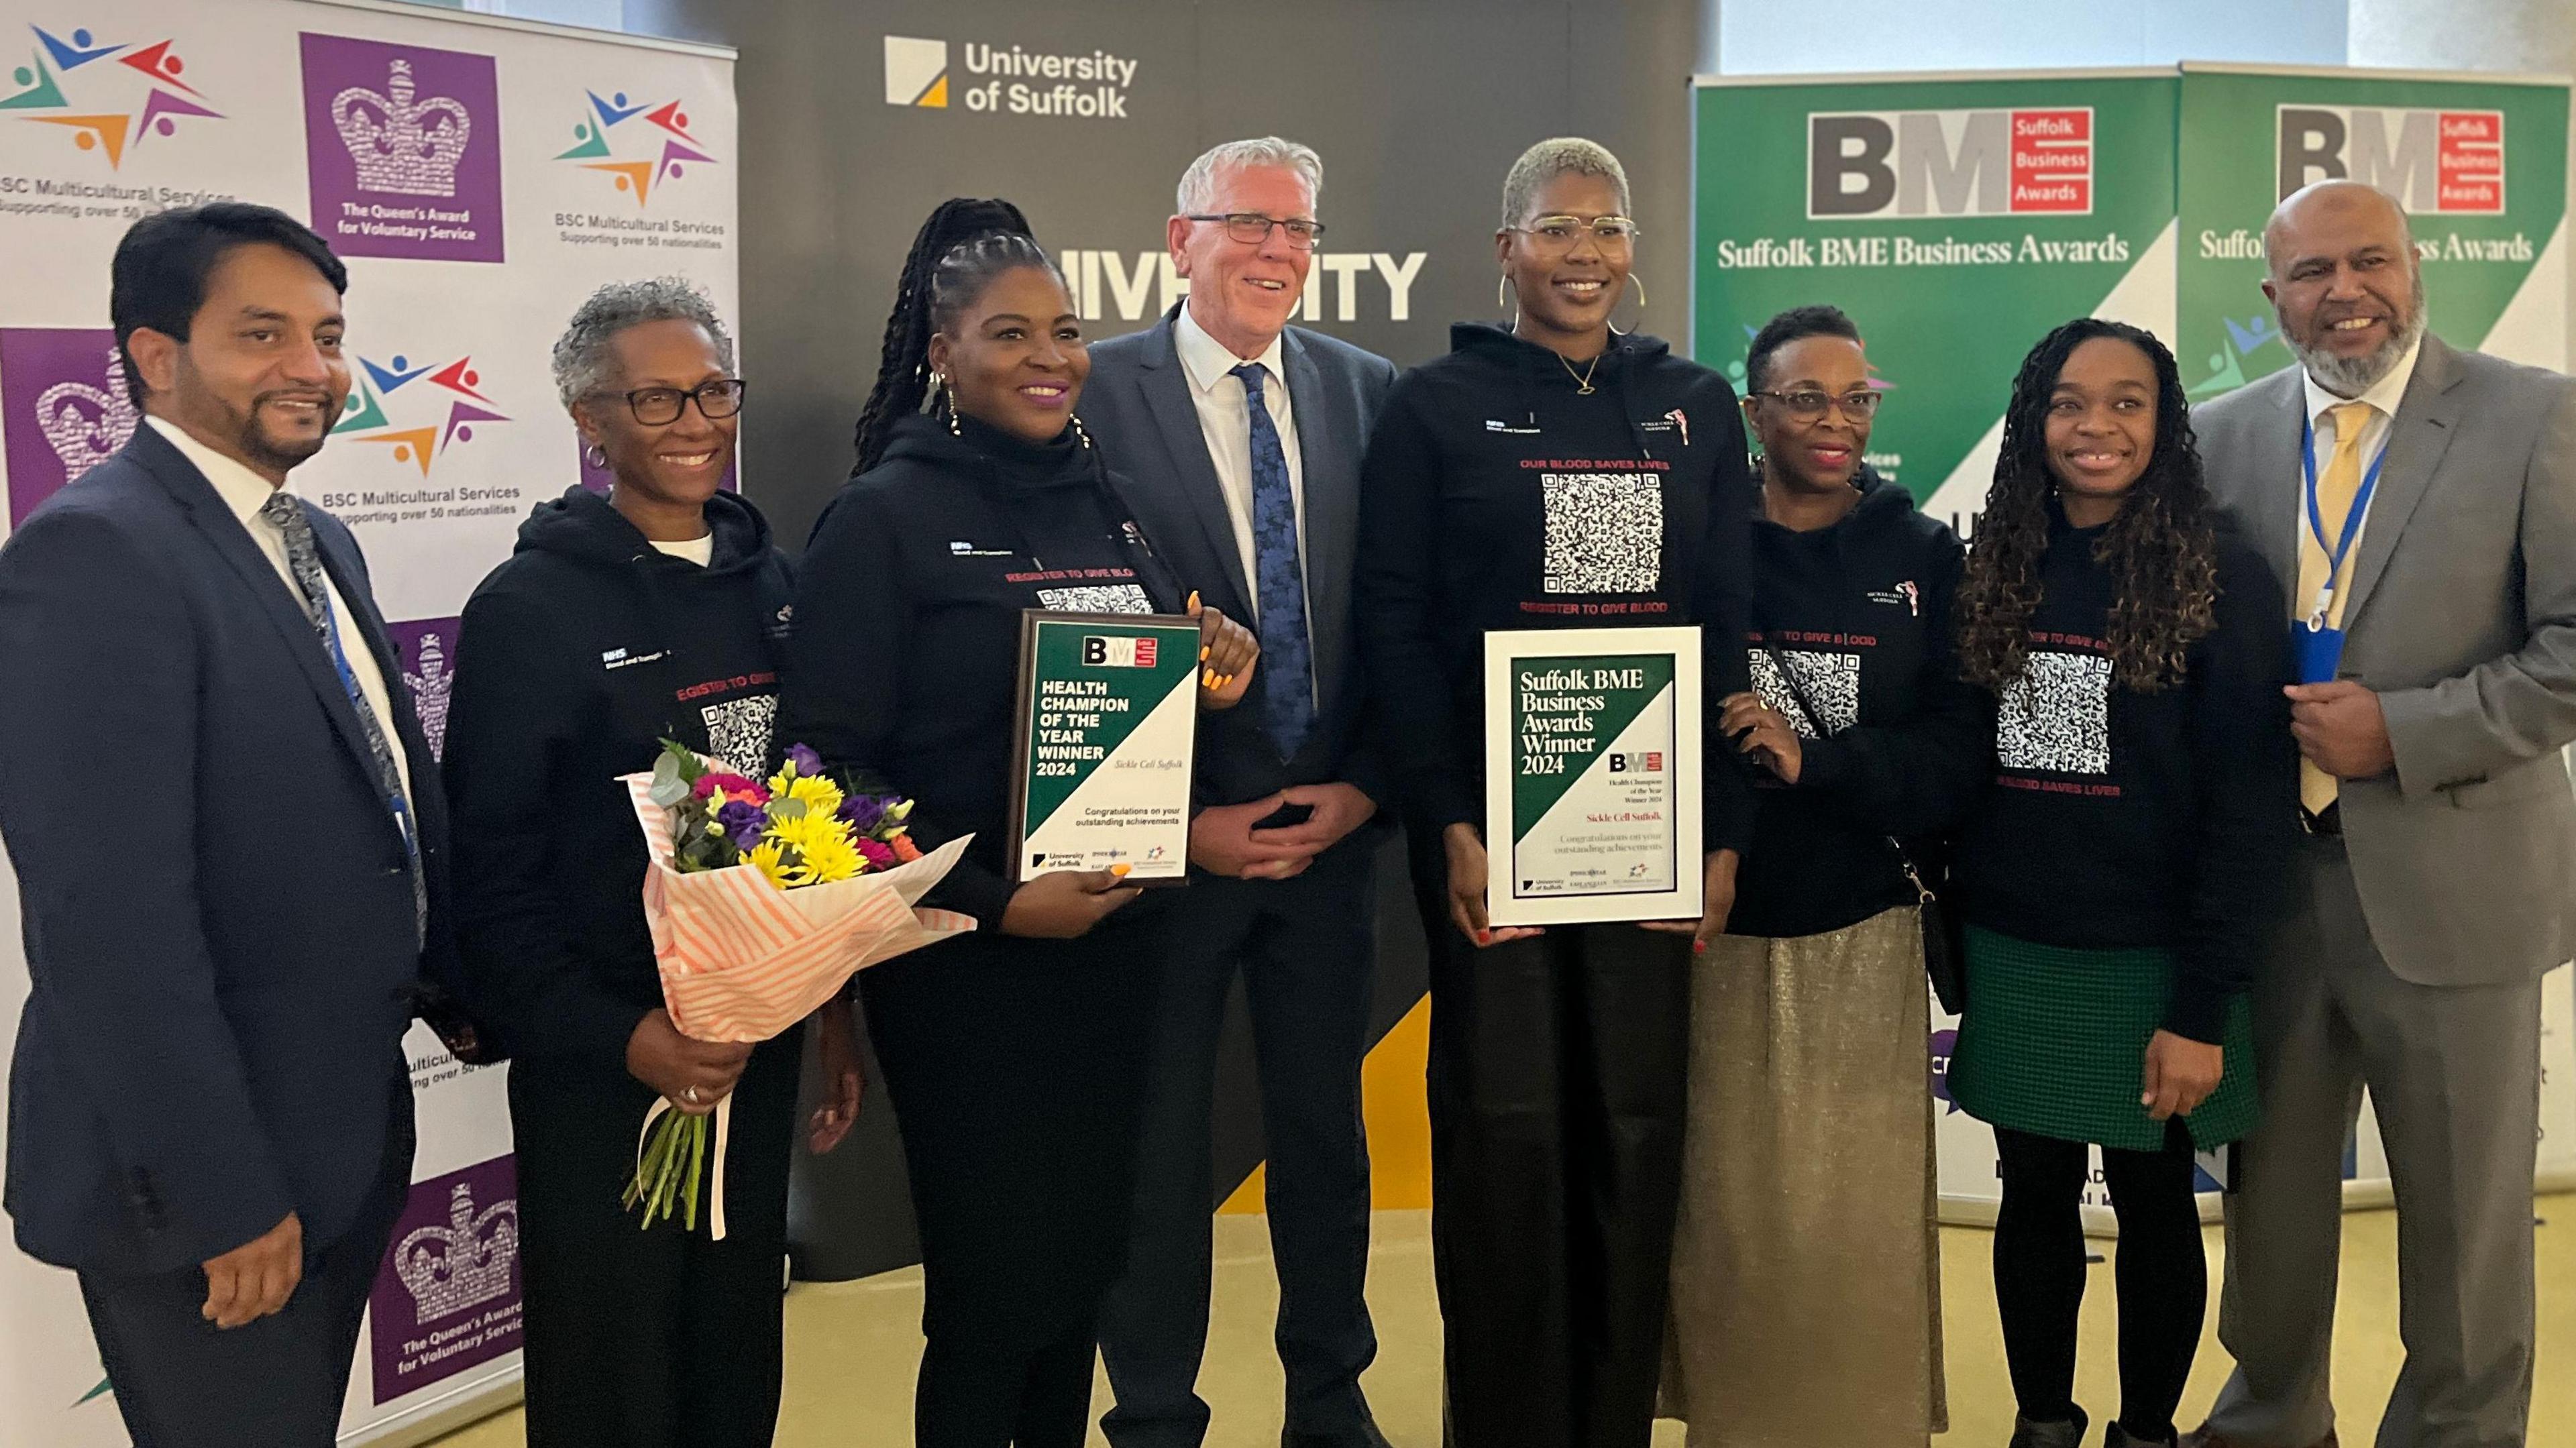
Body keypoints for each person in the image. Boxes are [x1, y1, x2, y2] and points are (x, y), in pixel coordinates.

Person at [780, 199, 1256, 1448]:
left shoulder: (1111, 505)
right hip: (969, 972)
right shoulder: (880, 519)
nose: (1050, 356)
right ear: (942, 352)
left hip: (1118, 954)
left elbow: (1134, 704)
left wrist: (1208, 664)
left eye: (1066, 329)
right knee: (993, 1300)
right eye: (1009, 334)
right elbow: (820, 779)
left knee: (1079, 1282)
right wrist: (997, 901)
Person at [0, 203, 451, 1446]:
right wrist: (226, 1196)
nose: (314, 368)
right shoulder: (97, 552)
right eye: (264, 334)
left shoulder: (315, 540)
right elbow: (107, 922)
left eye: (327, 333)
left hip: (336, 1134)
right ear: (158, 356)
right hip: (208, 1179)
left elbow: (375, 799)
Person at [1353, 137, 1756, 1448]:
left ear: (1631, 250)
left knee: (1637, 1135)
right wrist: (1449, 822)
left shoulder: (1697, 405)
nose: (1583, 252)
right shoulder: (1433, 407)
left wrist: (1722, 835)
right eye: (1554, 228)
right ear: (1505, 250)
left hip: (1651, 834)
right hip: (1491, 843)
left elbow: (1729, 635)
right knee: (1508, 1136)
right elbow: (1396, 629)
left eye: (1605, 227)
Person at [2182, 180, 2576, 1448]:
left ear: (2417, 268)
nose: (2344, 292)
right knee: (2272, 1212)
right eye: (2311, 272)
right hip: (2272, 893)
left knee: (2467, 1230)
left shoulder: (2535, 418)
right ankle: (2268, 1420)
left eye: (2370, 263)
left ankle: (2459, 1435)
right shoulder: (2214, 436)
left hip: (2456, 888)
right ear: (2271, 297)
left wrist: (2401, 733)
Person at [440, 279, 856, 1447]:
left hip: (752, 1048)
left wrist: (828, 1012)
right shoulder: (530, 607)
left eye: (713, 389)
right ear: (591, 418)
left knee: (733, 1357)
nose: (694, 420)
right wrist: (633, 1039)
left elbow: (817, 823)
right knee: (612, 1376)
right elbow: (496, 876)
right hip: (607, 1062)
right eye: (656, 397)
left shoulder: (779, 583)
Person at [1082, 137, 1399, 1448]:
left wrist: (1368, 790)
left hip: (1330, 842)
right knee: (1157, 1155)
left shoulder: (1368, 391)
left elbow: (1402, 613)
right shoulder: (1092, 393)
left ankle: (1329, 1399)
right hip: (1172, 851)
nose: (1277, 251)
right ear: (1179, 239)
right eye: (1247, 225)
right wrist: (1176, 823)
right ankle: (1154, 1415)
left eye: (1299, 232)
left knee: (1326, 1141)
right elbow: (1064, 628)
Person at [1944, 318, 2294, 1448]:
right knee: (2031, 1195)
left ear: (2166, 422)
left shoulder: (2224, 575)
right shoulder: (1993, 564)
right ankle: (2043, 1424)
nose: (2096, 426)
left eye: (2127, 402)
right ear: (2032, 421)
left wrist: (2200, 1006)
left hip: (2159, 963)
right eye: (2068, 402)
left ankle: (2147, 1432)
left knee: (2155, 1204)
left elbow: (2249, 808)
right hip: (2019, 949)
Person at [1662, 304, 1976, 1445]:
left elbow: (1956, 752)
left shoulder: (1923, 555)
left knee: (1855, 1213)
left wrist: (1821, 761)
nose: (1835, 420)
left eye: (1857, 398)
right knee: (1729, 1213)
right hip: (1710, 925)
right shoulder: (1697, 543)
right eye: (1805, 398)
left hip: (1863, 927)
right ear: (1753, 412)